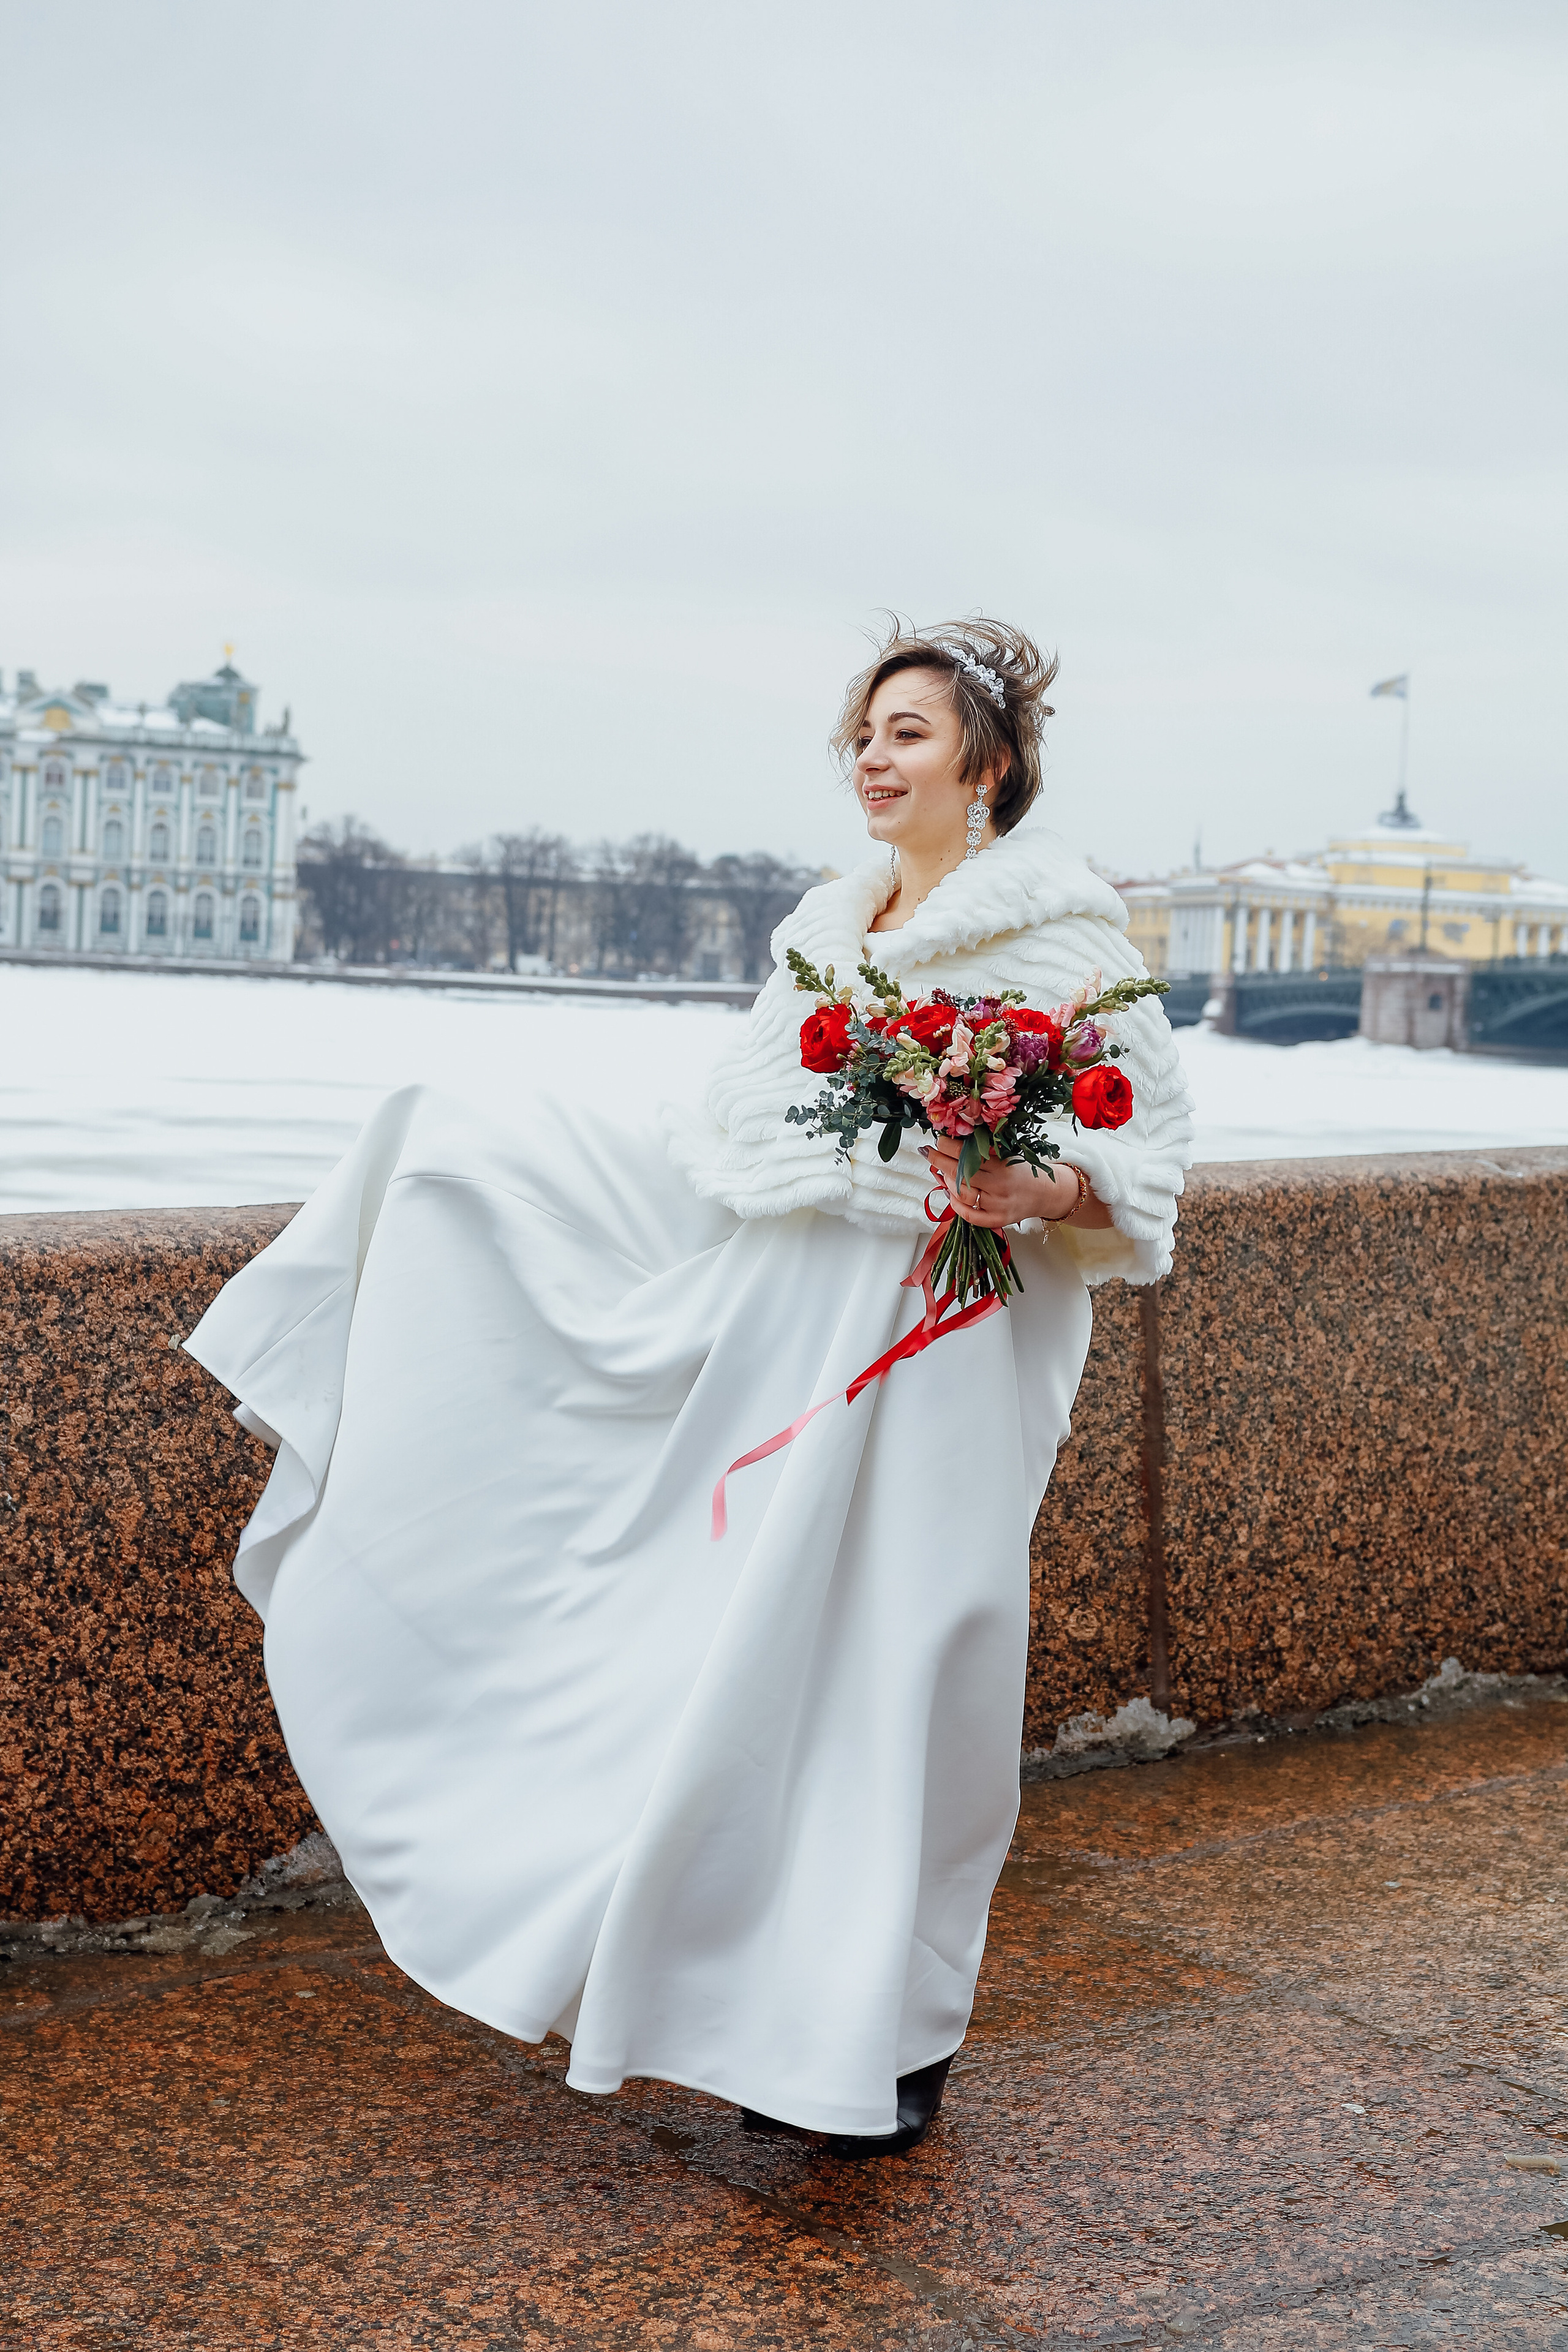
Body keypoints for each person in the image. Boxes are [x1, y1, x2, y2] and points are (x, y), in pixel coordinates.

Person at [186, 617, 1194, 2158]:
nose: (870, 756)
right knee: (735, 1665)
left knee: (909, 1677)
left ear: (985, 764)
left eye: (906, 733)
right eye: (860, 732)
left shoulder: (1072, 948)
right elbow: (729, 1118)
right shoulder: (827, 926)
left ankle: (891, 2032)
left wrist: (1033, 1178)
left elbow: (1148, 1170)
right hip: (783, 1327)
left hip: (937, 1355)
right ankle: (756, 2006)